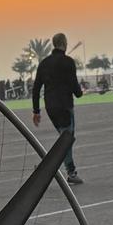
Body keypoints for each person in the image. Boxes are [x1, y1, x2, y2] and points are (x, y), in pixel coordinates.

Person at [31, 32, 85, 185]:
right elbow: (75, 87)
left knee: (64, 139)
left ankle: (46, 165)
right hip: (65, 106)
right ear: (64, 43)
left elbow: (36, 89)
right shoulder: (68, 62)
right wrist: (80, 93)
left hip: (50, 107)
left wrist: (36, 111)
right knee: (66, 140)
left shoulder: (44, 63)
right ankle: (69, 172)